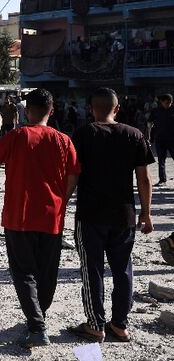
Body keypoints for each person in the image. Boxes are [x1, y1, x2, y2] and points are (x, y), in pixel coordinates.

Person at [0, 88, 81, 348]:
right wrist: (62, 199)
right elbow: (73, 176)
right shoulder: (63, 140)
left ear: (27, 111)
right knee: (47, 272)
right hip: (52, 217)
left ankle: (37, 326)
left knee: (24, 271)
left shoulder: (16, 136)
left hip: (19, 216)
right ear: (52, 111)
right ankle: (38, 317)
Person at [67, 88, 154, 343]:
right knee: (123, 270)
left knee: (91, 270)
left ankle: (95, 325)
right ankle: (120, 325)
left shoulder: (83, 135)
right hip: (124, 215)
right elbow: (144, 178)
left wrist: (61, 205)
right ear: (117, 109)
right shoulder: (134, 134)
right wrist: (146, 214)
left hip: (90, 215)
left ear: (91, 109)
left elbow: (73, 175)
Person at [148, 93, 174, 186]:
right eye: (166, 103)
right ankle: (162, 180)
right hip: (160, 139)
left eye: (170, 103)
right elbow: (150, 124)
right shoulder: (156, 111)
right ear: (161, 102)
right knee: (161, 161)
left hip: (172, 140)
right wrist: (150, 136)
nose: (168, 105)